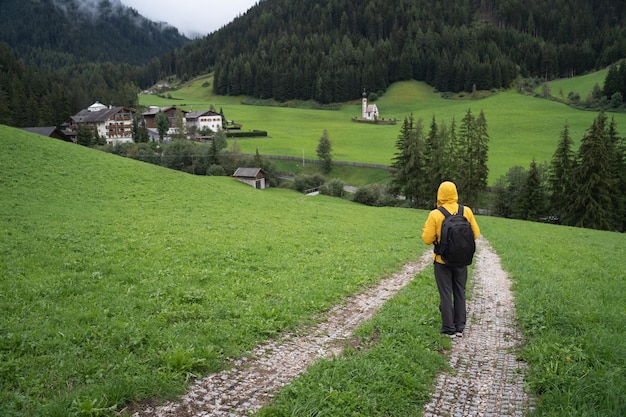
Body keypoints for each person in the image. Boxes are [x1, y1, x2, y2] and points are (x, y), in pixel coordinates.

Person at [421, 181, 480, 338]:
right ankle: (460, 326)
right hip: (461, 261)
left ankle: (449, 328)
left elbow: (427, 239)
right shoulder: (465, 211)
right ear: (455, 193)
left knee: (445, 293)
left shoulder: (435, 214)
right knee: (460, 291)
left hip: (442, 261)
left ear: (440, 194)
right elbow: (476, 234)